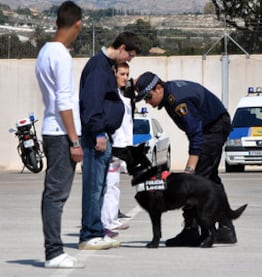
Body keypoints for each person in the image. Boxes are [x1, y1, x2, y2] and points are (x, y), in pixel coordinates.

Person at [135, 72, 236, 247]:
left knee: (196, 181)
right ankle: (225, 227)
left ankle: (191, 230)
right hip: (214, 125)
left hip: (213, 129)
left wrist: (190, 169)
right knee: (210, 178)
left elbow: (196, 134)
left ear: (158, 88)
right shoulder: (169, 93)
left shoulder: (178, 101)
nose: (148, 102)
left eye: (148, 97)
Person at [78, 32, 141, 250]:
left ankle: (97, 231)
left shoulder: (105, 66)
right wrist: (98, 133)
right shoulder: (98, 67)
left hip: (105, 134)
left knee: (101, 187)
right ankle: (88, 234)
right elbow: (92, 102)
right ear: (121, 47)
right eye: (129, 56)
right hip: (97, 136)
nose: (128, 61)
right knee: (94, 188)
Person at [35, 1, 84, 268]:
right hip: (60, 132)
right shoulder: (62, 56)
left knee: (52, 193)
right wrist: (75, 140)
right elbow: (64, 102)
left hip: (51, 129)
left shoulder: (44, 52)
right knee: (56, 194)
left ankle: (53, 249)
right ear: (77, 24)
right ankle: (53, 252)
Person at [101, 62, 133, 237]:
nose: (125, 78)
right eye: (122, 74)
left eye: (127, 74)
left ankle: (112, 219)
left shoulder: (123, 94)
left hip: (123, 145)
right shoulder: (111, 95)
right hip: (114, 145)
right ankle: (107, 222)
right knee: (109, 184)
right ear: (114, 74)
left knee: (115, 184)